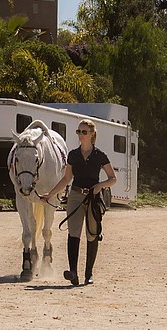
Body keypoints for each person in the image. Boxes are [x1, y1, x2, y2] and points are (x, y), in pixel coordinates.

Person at [40, 119, 117, 286]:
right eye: (78, 132)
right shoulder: (73, 155)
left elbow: (113, 179)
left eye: (84, 132)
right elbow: (67, 178)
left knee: (92, 233)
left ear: (92, 134)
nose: (80, 135)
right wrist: (51, 194)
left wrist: (99, 186)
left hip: (93, 197)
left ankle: (88, 274)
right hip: (75, 195)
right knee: (73, 232)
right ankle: (73, 272)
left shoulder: (100, 155)